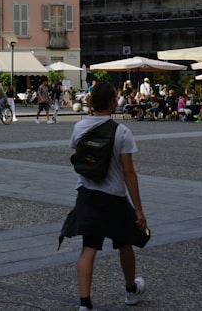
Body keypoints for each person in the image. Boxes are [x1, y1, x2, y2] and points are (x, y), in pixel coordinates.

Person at [68, 82, 147, 310]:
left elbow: (80, 157)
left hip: (87, 194)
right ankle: (130, 291)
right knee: (124, 244)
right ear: (113, 102)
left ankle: (85, 304)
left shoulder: (79, 128)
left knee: (88, 248)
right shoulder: (122, 131)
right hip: (114, 197)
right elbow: (128, 172)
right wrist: (138, 209)